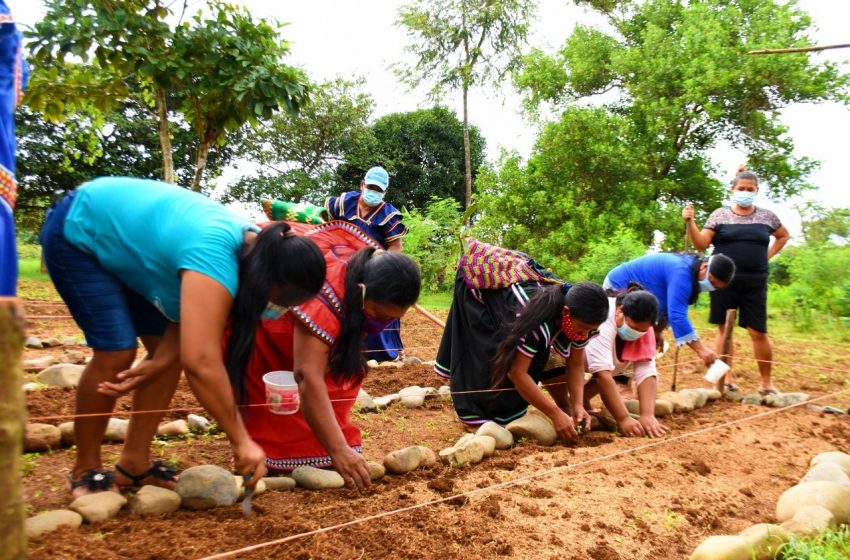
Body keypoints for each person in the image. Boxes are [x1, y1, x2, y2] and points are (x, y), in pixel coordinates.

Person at [40, 177, 327, 498]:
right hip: (81, 230)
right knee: (116, 352)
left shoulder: (259, 250)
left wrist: (162, 357)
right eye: (280, 301)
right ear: (264, 281)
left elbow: (187, 328)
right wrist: (241, 441)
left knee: (167, 358)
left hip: (135, 251)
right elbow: (201, 362)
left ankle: (133, 464)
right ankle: (85, 469)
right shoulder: (215, 255)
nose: (278, 310)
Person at [233, 221, 421, 491]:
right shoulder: (322, 295)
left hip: (314, 314)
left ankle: (321, 445)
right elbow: (306, 376)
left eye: (391, 319)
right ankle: (277, 449)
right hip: (270, 315)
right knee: (288, 381)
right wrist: (338, 449)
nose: (381, 323)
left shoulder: (376, 265)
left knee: (330, 376)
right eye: (379, 314)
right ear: (360, 292)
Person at [434, 239, 610, 440]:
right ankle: (476, 416)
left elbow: (576, 363)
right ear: (566, 312)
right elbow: (517, 373)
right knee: (488, 350)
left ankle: (509, 412)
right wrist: (554, 413)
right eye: (584, 329)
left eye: (591, 330)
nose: (585, 335)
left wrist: (577, 405)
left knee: (531, 355)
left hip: (516, 281)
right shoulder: (534, 318)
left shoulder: (580, 318)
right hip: (479, 279)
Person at [682, 168, 790, 394]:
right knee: (724, 329)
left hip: (755, 280)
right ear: (732, 189)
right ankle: (725, 379)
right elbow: (702, 243)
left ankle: (767, 383)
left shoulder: (767, 216)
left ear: (757, 191)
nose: (745, 192)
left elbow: (783, 236)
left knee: (758, 331)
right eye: (741, 188)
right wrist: (691, 222)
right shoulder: (719, 215)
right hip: (722, 280)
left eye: (750, 189)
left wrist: (766, 256)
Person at [324, 166, 408, 361]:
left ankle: (380, 355)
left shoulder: (389, 215)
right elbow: (328, 227)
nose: (373, 192)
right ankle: (335, 348)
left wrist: (383, 263)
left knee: (376, 308)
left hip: (372, 271)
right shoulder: (345, 203)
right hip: (341, 265)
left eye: (378, 190)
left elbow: (396, 247)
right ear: (362, 185)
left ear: (384, 192)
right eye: (370, 187)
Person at [604, 252, 736, 369]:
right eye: (712, 282)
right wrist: (701, 350)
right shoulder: (682, 272)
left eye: (716, 287)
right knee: (629, 335)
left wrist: (658, 331)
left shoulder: (691, 273)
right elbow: (677, 315)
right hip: (619, 286)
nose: (711, 287)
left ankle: (621, 376)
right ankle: (617, 377)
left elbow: (667, 303)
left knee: (644, 339)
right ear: (704, 267)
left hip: (643, 296)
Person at [582, 284, 667, 437]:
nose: (637, 333)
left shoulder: (645, 325)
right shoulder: (603, 317)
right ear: (620, 311)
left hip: (602, 361)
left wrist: (647, 414)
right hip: (571, 353)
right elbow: (603, 375)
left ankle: (583, 398)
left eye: (642, 331)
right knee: (602, 366)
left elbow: (646, 369)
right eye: (633, 327)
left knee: (617, 364)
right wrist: (623, 418)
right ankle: (566, 406)